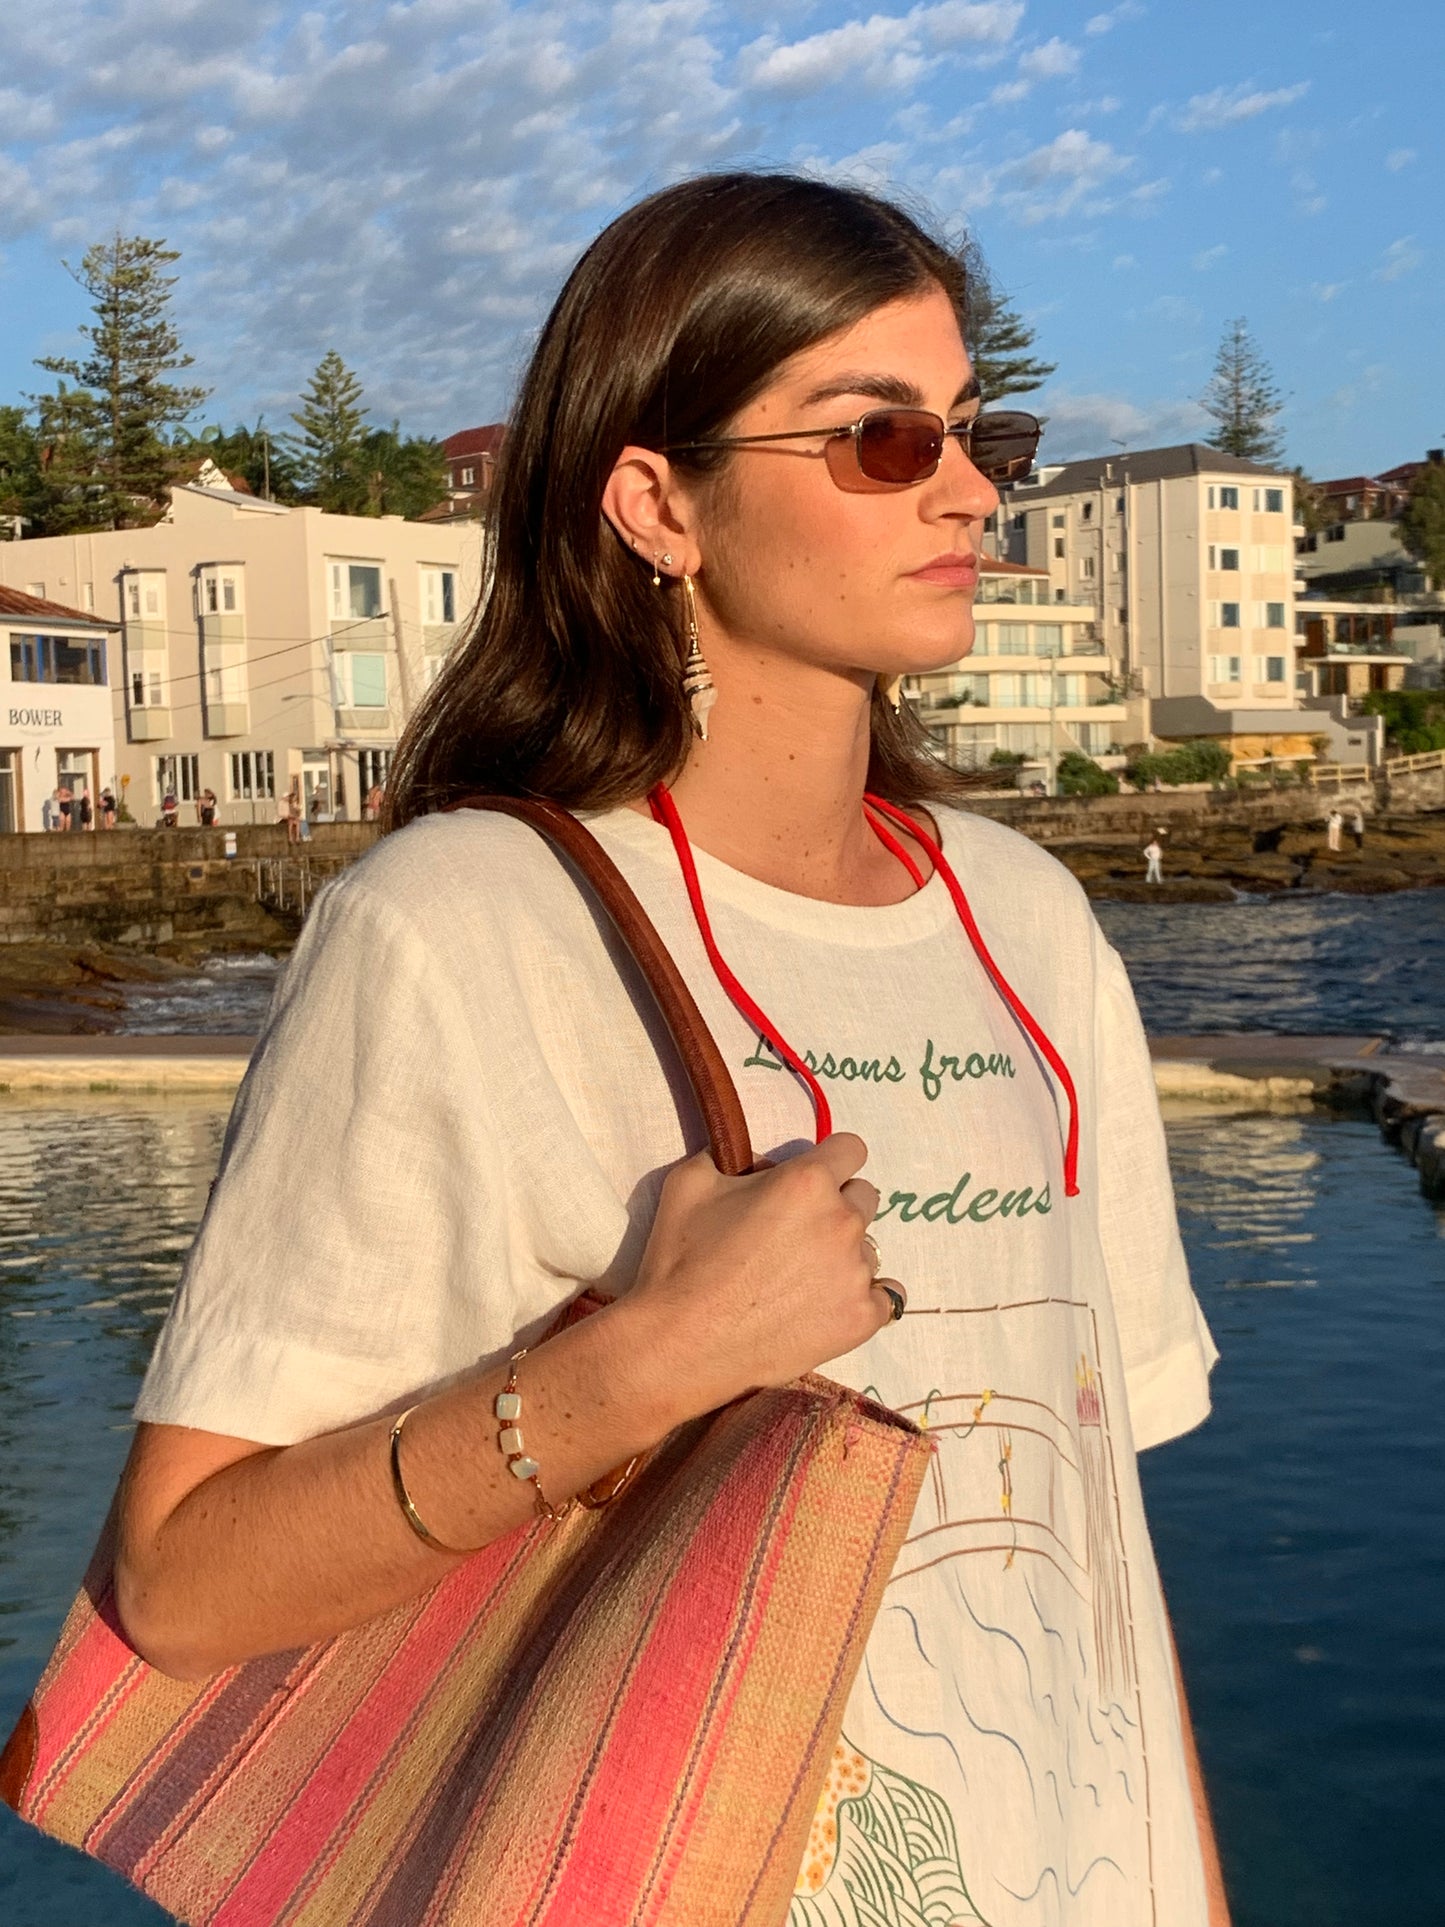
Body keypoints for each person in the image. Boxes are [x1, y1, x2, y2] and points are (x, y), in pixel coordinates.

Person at [115, 175, 1227, 1926]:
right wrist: (641, 1368)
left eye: (980, 428)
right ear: (655, 499)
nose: (971, 484)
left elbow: (1099, 1560)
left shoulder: (1029, 922)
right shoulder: (460, 921)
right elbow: (177, 1583)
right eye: (880, 437)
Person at [285, 781, 302, 846]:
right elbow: (288, 813)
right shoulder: (289, 805)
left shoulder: (296, 804)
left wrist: (298, 809)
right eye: (294, 798)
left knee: (297, 823)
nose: (295, 799)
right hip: (290, 818)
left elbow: (298, 813)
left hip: (295, 817)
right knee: (291, 822)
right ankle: (290, 838)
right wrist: (292, 816)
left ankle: (297, 838)